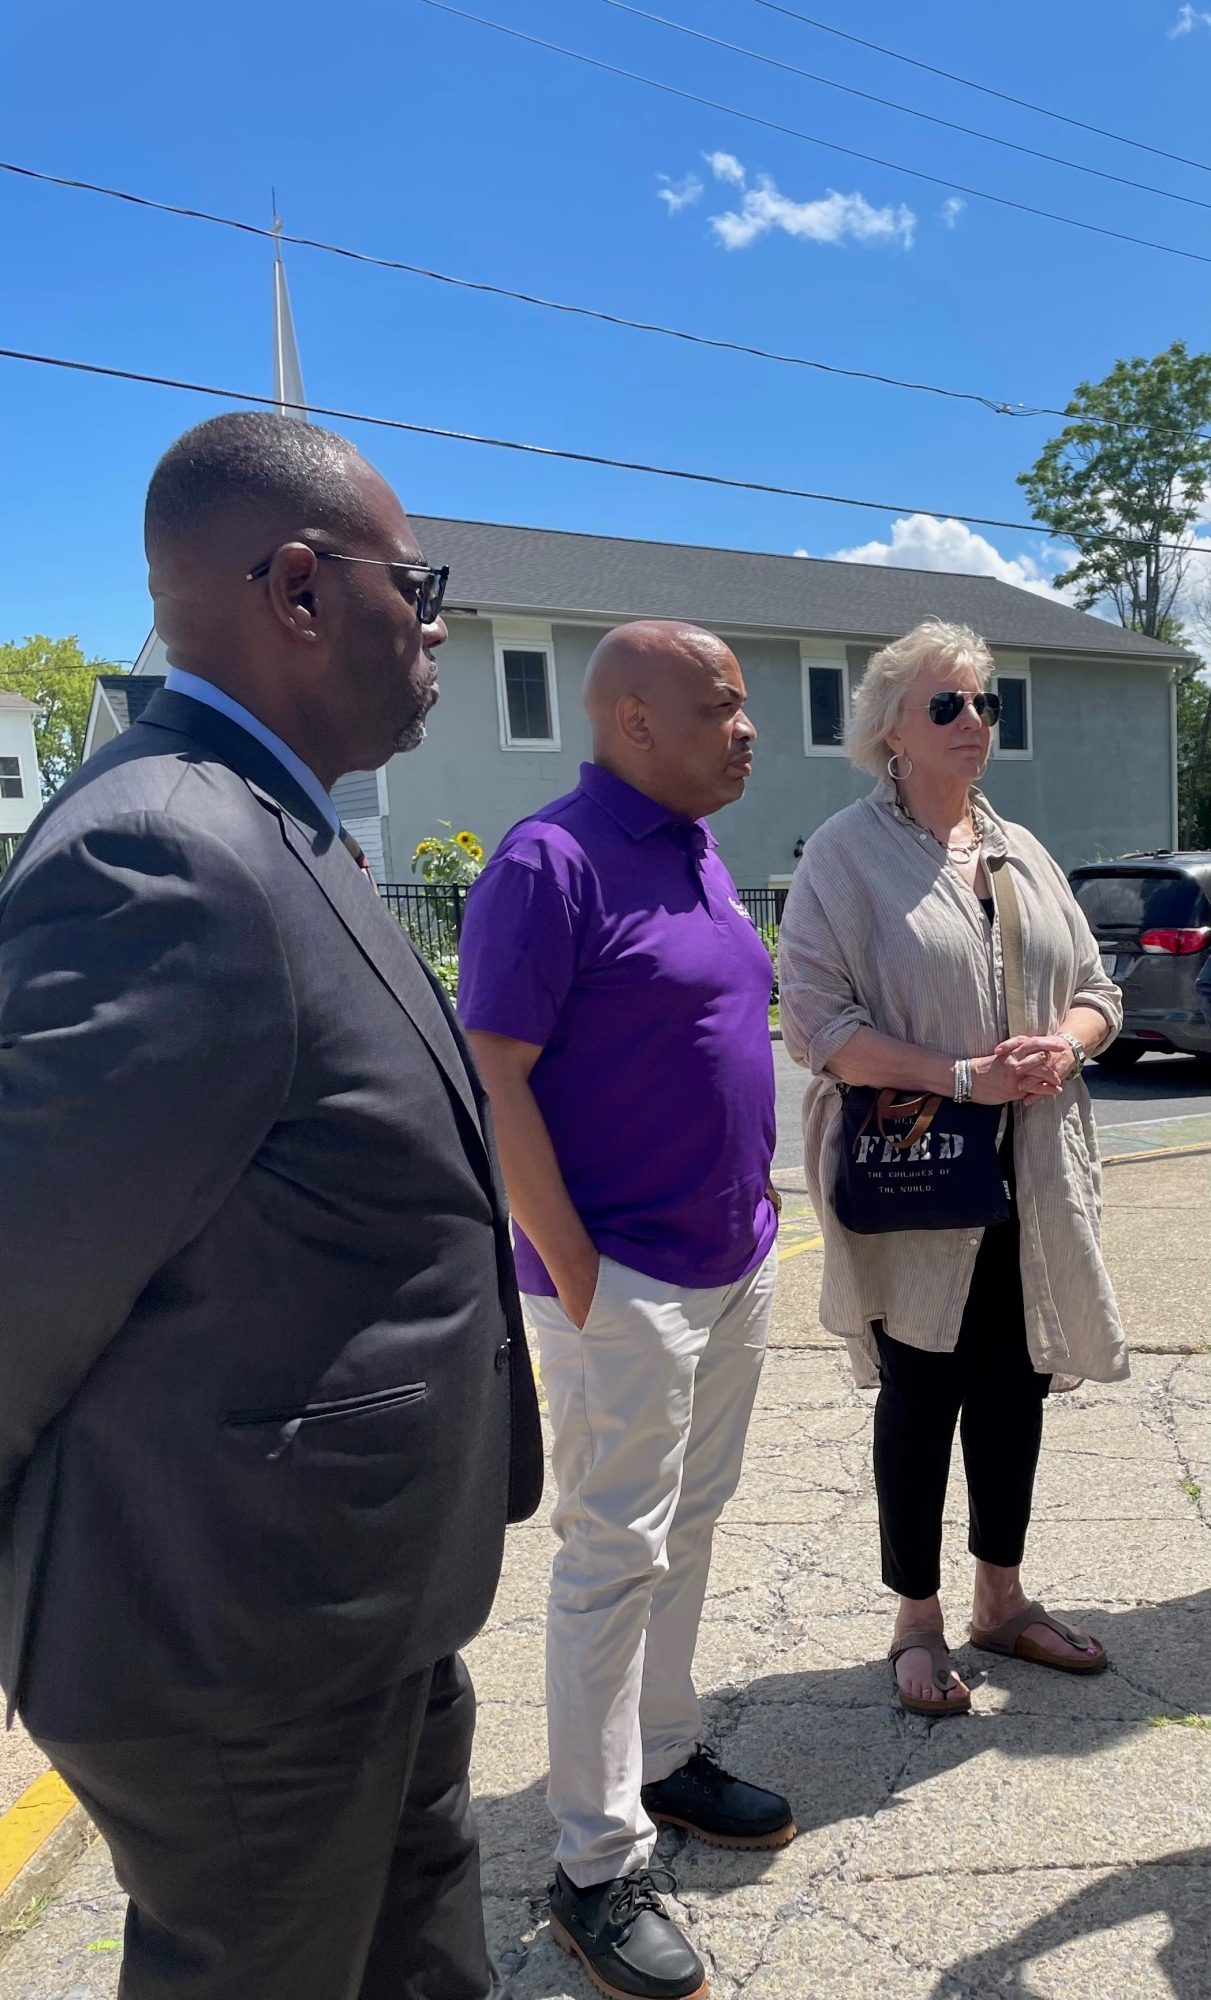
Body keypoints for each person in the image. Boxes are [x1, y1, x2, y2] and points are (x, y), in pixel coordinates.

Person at [0, 412, 542, 2000]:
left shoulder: (271, 820)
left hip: (351, 1617)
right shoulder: (169, 854)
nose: (432, 620)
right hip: (236, 1653)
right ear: (298, 590)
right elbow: (25, 1276)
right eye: (415, 581)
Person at [458, 620, 794, 2000]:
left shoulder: (696, 851)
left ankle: (660, 1753)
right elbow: (496, 1073)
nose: (748, 725)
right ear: (631, 718)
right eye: (720, 705)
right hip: (624, 1283)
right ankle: (595, 1862)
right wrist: (579, 1275)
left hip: (731, 1263)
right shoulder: (549, 861)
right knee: (611, 1553)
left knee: (688, 1526)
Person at [778, 619, 1126, 1718]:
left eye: (984, 702)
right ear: (890, 727)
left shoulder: (1018, 848)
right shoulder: (843, 854)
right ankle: (914, 1619)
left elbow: (1098, 989)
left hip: (1026, 1173)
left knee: (1014, 1382)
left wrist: (1062, 1044)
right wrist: (962, 1074)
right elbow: (817, 1024)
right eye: (947, 705)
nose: (973, 720)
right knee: (920, 1389)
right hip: (916, 1174)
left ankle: (1000, 1596)